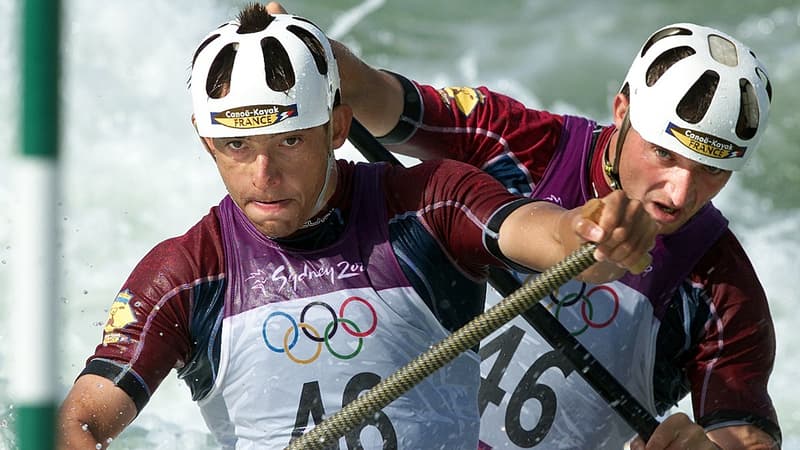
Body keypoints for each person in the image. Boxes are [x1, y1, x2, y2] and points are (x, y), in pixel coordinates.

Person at [56, 5, 658, 449]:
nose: (264, 175)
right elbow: (76, 424)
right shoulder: (186, 273)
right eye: (236, 146)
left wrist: (590, 232)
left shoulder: (429, 202)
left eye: (290, 140)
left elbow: (544, 235)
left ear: (338, 127)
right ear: (204, 138)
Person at [266, 3, 781, 449]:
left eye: (711, 170)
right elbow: (374, 93)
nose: (679, 194)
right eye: (664, 153)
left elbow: (746, 438)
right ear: (621, 110)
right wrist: (315, 56)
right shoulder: (515, 143)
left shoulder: (723, 294)